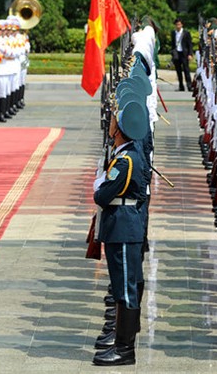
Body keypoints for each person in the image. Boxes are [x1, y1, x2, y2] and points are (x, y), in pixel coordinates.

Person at [92, 98, 148, 367]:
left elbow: (103, 196)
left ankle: (125, 349)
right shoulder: (124, 156)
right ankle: (121, 341)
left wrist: (99, 184)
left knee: (125, 289)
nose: (110, 122)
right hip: (122, 226)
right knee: (123, 287)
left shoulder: (125, 161)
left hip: (123, 228)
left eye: (115, 119)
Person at [169, 18, 192, 91]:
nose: (178, 26)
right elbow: (172, 44)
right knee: (178, 71)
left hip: (184, 53)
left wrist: (190, 54)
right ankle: (181, 86)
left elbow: (190, 44)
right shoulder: (173, 33)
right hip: (177, 53)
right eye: (176, 25)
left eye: (179, 24)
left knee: (186, 70)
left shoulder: (186, 33)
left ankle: (189, 85)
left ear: (182, 25)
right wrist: (172, 52)